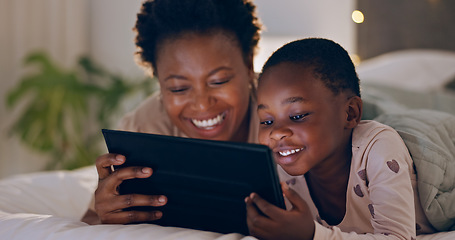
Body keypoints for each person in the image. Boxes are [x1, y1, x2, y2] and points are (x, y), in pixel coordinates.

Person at [82, 0, 262, 225]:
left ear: (249, 64)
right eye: (179, 88)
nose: (202, 105)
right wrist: (106, 217)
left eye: (219, 81)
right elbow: (87, 222)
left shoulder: (289, 115)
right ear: (158, 80)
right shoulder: (144, 128)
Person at [244, 38, 435, 239]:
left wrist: (312, 235)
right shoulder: (284, 171)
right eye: (266, 121)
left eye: (297, 116)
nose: (276, 133)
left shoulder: (378, 148)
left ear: (350, 113)